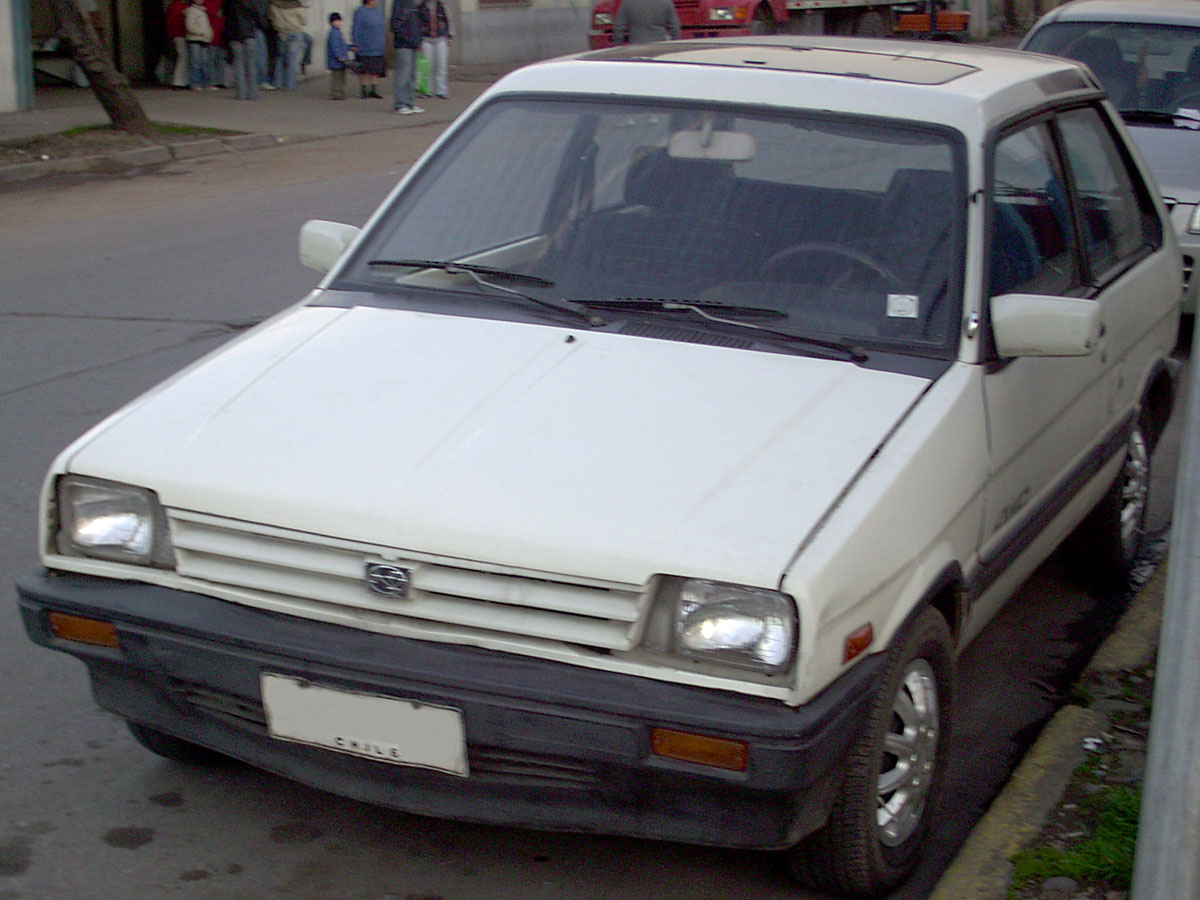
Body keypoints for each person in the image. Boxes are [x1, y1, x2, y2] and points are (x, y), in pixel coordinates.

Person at [224, 0, 270, 99]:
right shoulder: (250, 2)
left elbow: (226, 18)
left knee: (239, 65)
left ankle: (241, 93)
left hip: (234, 35)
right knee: (251, 65)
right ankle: (253, 93)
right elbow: (259, 18)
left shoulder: (228, 3)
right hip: (249, 34)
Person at [390, 0, 423, 113]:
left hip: (413, 44)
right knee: (403, 75)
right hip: (404, 45)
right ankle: (400, 104)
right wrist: (407, 38)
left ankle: (409, 102)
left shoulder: (412, 4)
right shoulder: (399, 3)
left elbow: (417, 24)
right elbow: (395, 25)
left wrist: (418, 40)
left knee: (411, 75)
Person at [269, 0, 307, 90]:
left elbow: (271, 18)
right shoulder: (297, 5)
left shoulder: (273, 5)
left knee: (280, 59)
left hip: (281, 33)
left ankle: (278, 83)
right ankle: (290, 85)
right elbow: (304, 21)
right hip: (294, 33)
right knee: (292, 61)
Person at [352, 0, 386, 98]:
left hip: (377, 46)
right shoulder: (360, 12)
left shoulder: (377, 12)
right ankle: (363, 90)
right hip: (364, 46)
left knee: (375, 69)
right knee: (363, 69)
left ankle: (374, 90)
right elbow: (356, 29)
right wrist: (356, 43)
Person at [417, 0, 451, 99]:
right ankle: (427, 90)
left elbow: (449, 21)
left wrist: (450, 36)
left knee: (441, 64)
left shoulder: (442, 6)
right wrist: (419, 40)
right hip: (426, 39)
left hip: (441, 38)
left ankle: (442, 90)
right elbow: (417, 24)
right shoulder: (421, 7)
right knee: (427, 66)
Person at [611, 0, 680, 45]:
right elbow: (675, 27)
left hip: (636, 45)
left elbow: (619, 28)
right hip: (659, 45)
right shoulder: (666, 2)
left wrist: (617, 45)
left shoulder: (628, 3)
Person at [184, 0, 214, 89]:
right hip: (195, 39)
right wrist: (201, 32)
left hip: (204, 40)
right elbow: (189, 26)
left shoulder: (203, 11)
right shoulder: (191, 11)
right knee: (195, 63)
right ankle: (195, 84)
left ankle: (206, 83)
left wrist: (209, 34)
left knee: (205, 62)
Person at [326, 11, 351, 100]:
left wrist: (350, 47)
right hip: (336, 60)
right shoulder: (334, 33)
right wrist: (340, 56)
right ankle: (336, 94)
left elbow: (342, 45)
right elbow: (335, 46)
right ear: (332, 22)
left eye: (339, 20)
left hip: (340, 60)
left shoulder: (337, 32)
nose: (339, 22)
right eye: (336, 21)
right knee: (337, 78)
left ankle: (340, 93)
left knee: (341, 78)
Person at [166, 0, 190, 88]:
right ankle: (179, 81)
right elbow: (172, 22)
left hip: (181, 34)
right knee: (183, 57)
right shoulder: (177, 6)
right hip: (179, 34)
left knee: (183, 57)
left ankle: (181, 81)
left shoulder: (178, 6)